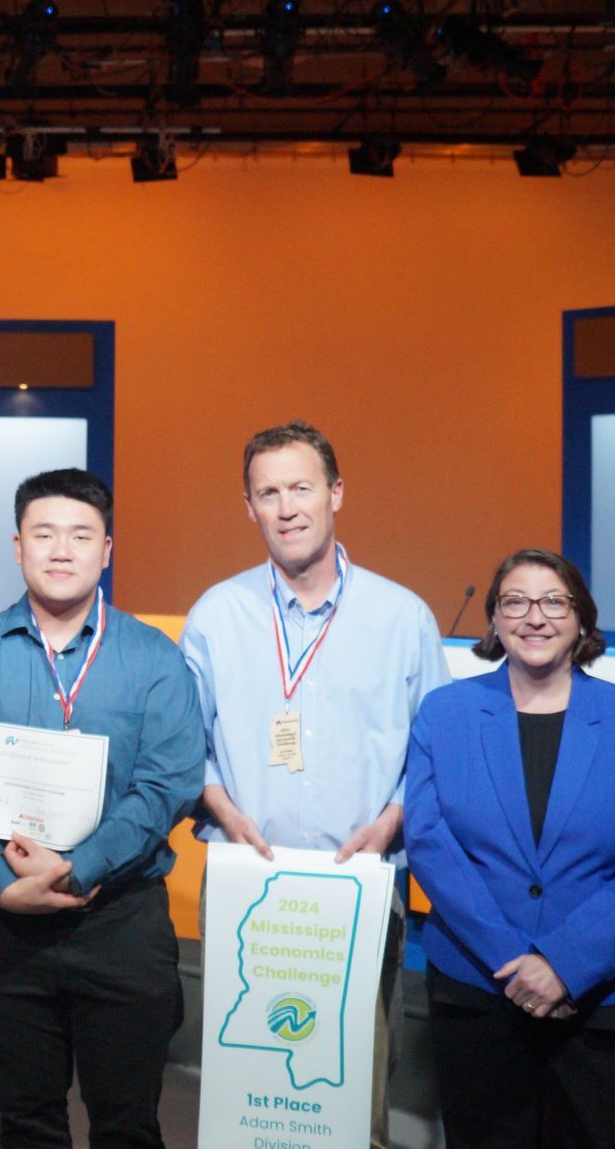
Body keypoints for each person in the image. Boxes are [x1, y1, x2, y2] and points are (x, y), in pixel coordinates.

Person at [0, 467, 205, 1149]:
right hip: (4, 924)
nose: (61, 550)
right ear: (19, 547)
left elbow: (167, 785)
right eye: (44, 534)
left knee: (128, 1126)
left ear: (107, 550)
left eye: (81, 535)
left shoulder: (154, 658)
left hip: (121, 922)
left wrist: (79, 868)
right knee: (26, 1123)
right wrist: (0, 883)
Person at [180, 419, 448, 1149]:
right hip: (248, 885)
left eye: (301, 488)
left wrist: (393, 819)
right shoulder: (215, 616)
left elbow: (436, 754)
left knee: (351, 1099)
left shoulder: (402, 618)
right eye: (268, 493)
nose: (287, 508)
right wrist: (220, 804)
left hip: (356, 887)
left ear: (336, 493)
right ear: (249, 508)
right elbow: (182, 745)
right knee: (246, 1102)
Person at [405, 548, 615, 1149]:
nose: (534, 617)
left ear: (582, 617)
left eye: (554, 602)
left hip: (608, 1001)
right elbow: (432, 845)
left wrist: (566, 964)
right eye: (515, 602)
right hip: (481, 990)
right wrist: (515, 960)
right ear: (494, 618)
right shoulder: (446, 713)